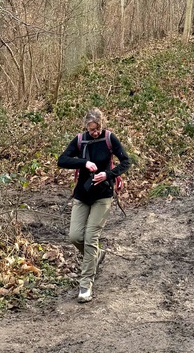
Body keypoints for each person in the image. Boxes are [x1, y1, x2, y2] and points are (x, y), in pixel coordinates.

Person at [58, 108, 130, 303]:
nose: (95, 133)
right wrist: (83, 163)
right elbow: (62, 160)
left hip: (103, 196)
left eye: (97, 129)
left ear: (102, 125)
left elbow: (126, 161)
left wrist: (108, 174)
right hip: (82, 195)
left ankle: (85, 285)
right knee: (75, 236)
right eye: (91, 130)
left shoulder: (109, 138)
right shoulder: (80, 140)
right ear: (86, 127)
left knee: (90, 238)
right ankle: (96, 256)